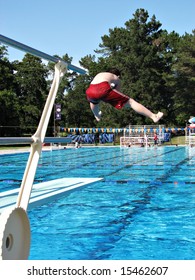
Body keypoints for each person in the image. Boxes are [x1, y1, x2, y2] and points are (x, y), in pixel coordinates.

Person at [86, 68, 163, 122]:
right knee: (131, 102)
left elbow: (96, 89)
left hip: (90, 90)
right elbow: (118, 93)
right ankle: (153, 116)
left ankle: (97, 115)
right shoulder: (116, 78)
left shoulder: (100, 74)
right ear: (118, 75)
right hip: (103, 88)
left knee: (93, 102)